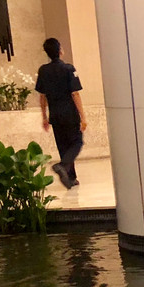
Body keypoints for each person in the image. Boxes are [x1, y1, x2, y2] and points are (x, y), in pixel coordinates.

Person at [35, 37, 87, 189]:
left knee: (63, 145)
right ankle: (63, 165)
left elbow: (42, 96)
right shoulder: (69, 69)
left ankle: (71, 177)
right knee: (77, 142)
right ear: (60, 51)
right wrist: (83, 117)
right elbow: (75, 93)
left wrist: (44, 117)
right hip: (70, 113)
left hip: (55, 114)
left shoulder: (43, 71)